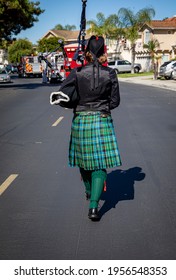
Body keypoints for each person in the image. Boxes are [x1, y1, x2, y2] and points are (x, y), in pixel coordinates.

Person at [54, 35, 122, 221]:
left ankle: (89, 191)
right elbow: (115, 102)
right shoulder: (110, 73)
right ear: (104, 52)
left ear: (86, 52)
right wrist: (102, 106)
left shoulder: (77, 72)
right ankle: (94, 206)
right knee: (99, 164)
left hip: (82, 120)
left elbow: (62, 95)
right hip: (102, 119)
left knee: (84, 162)